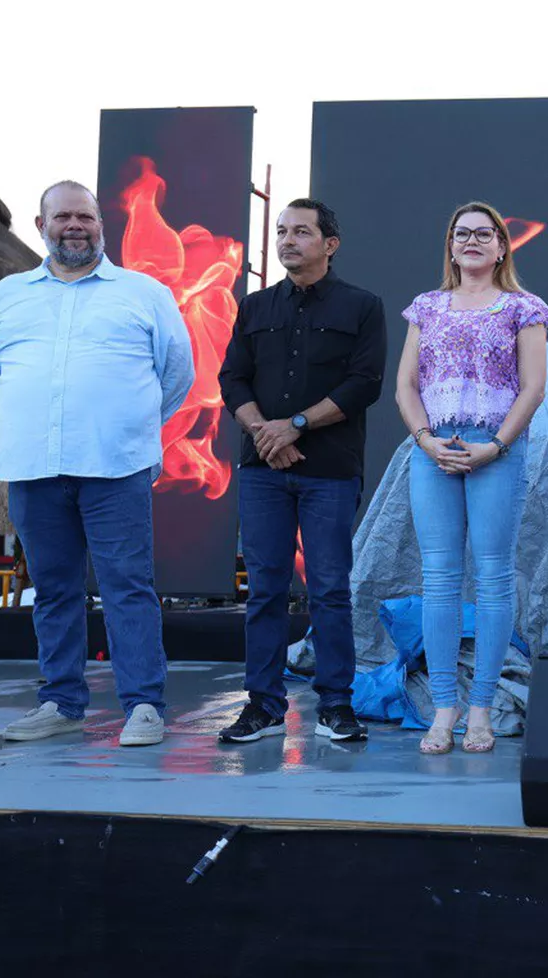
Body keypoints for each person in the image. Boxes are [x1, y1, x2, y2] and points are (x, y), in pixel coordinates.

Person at [0, 180, 193, 747]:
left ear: (101, 224)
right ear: (40, 225)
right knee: (53, 590)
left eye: (85, 217)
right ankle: (61, 703)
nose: (75, 226)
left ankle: (143, 706)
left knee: (128, 588)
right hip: (34, 467)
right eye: (62, 217)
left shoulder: (143, 293)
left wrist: (126, 424)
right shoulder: (6, 296)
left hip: (115, 467)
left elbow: (177, 375)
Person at [217, 199, 387, 743]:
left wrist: (294, 426)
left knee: (330, 589)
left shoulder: (362, 306)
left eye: (301, 232)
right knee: (265, 590)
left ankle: (336, 705)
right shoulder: (255, 307)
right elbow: (232, 379)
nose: (287, 241)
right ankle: (263, 706)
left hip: (330, 471)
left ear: (330, 244)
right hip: (263, 469)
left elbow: (364, 384)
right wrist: (265, 433)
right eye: (281, 231)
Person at [395, 202, 548, 753]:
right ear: (451, 244)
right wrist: (425, 440)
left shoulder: (523, 308)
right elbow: (405, 386)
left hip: (496, 448)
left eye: (484, 234)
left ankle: (481, 709)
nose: (472, 241)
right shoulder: (427, 306)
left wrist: (496, 447)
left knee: (493, 578)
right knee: (438, 577)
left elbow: (534, 387)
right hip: (434, 447)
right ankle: (445, 708)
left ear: (502, 245)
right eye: (461, 233)